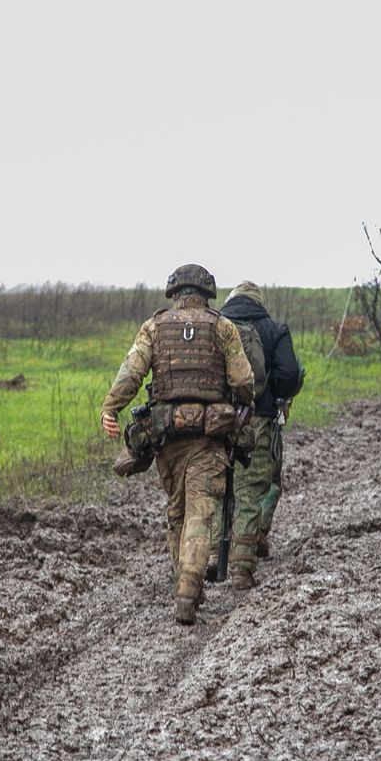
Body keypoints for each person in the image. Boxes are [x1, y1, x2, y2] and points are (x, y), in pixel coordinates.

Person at [100, 264, 254, 625]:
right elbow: (244, 380)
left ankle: (184, 583)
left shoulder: (154, 327)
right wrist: (239, 402)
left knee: (177, 513)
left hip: (166, 437)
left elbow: (131, 373)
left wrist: (110, 407)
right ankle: (188, 589)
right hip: (209, 439)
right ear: (207, 294)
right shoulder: (222, 327)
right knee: (201, 515)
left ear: (174, 294)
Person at [215, 281, 303, 587]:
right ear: (259, 302)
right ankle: (241, 567)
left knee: (216, 486)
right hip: (259, 417)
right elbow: (290, 374)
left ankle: (213, 556)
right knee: (251, 489)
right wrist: (277, 395)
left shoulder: (216, 325)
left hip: (215, 419)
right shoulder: (274, 328)